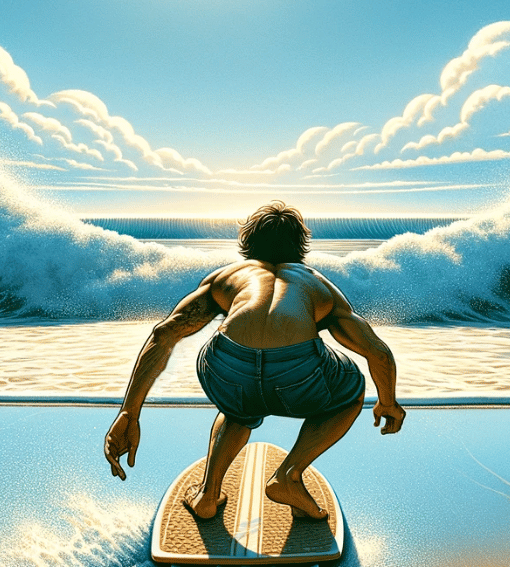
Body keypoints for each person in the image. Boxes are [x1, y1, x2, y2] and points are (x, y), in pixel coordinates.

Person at [103, 201, 405, 520]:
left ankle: (207, 494)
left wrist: (129, 412)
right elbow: (378, 353)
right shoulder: (316, 283)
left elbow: (165, 334)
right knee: (350, 389)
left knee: (237, 407)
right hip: (298, 373)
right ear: (300, 246)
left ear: (246, 243)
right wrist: (388, 402)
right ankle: (289, 475)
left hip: (228, 368)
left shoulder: (227, 277)